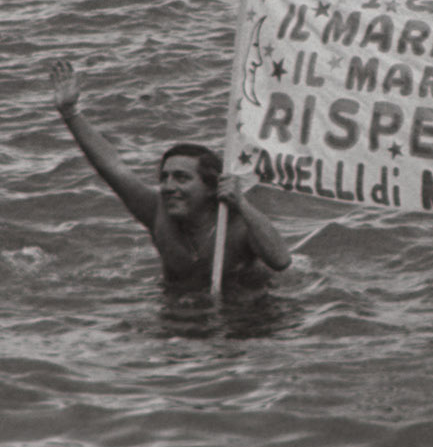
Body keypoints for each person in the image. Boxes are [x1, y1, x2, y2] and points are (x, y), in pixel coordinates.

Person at [51, 58, 292, 287]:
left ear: (211, 187)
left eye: (182, 178)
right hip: (183, 305)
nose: (168, 186)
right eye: (165, 177)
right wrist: (70, 113)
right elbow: (113, 167)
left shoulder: (237, 224)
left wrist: (242, 203)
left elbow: (281, 261)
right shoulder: (158, 212)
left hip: (248, 309)